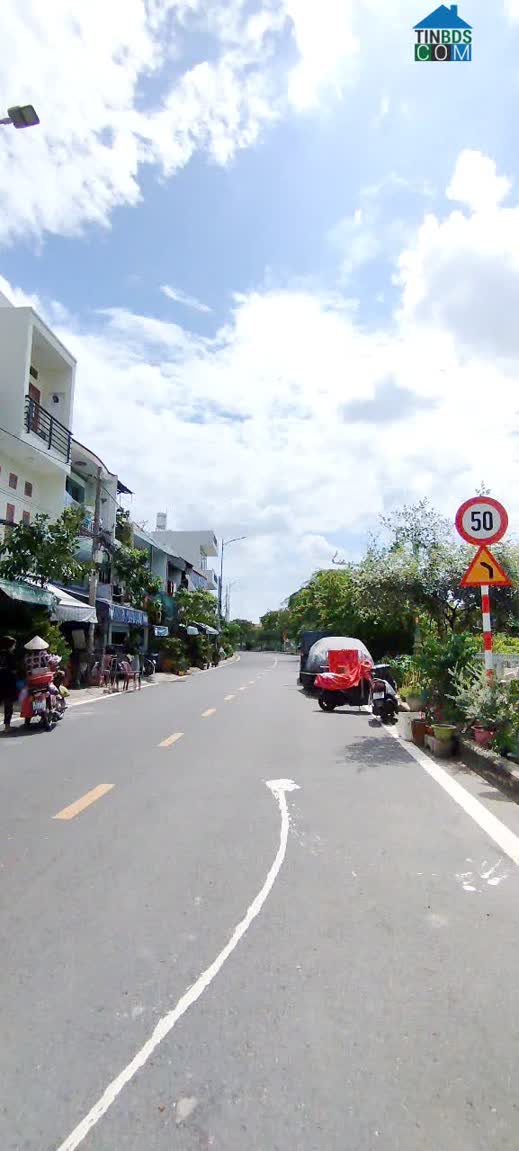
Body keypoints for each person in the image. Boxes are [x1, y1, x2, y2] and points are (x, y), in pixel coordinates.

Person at [0, 636, 18, 733]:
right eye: (13, 645)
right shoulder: (10, 655)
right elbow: (14, 670)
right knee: (8, 704)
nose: (14, 647)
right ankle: (7, 727)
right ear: (9, 645)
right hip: (8, 682)